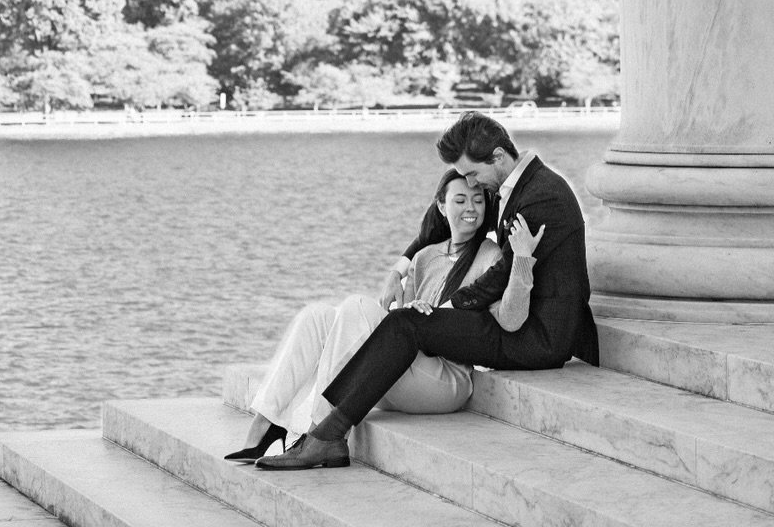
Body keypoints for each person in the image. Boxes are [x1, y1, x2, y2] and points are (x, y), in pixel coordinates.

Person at [257, 111, 599, 471]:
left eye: (472, 174)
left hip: (538, 337)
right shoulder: (515, 185)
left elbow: (501, 274)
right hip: (519, 320)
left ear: (498, 157)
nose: (472, 186)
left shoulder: (541, 196)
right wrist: (400, 267)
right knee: (403, 322)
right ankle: (323, 434)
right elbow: (438, 225)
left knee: (408, 324)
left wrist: (446, 308)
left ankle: (325, 436)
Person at [226, 167, 543, 461]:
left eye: (478, 200)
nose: (470, 208)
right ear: (442, 206)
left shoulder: (489, 255)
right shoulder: (424, 257)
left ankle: (318, 432)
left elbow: (510, 318)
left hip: (445, 381)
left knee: (356, 306)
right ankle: (266, 423)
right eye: (460, 200)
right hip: (405, 369)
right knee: (317, 316)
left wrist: (523, 258)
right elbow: (407, 324)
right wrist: (412, 309)